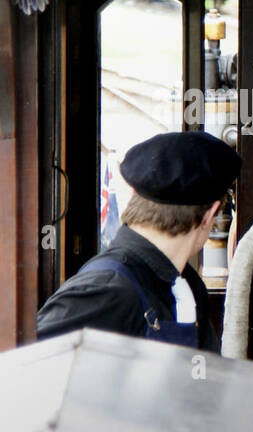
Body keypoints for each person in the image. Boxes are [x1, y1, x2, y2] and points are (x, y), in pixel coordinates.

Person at [36, 131, 241, 351]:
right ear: (211, 215)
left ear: (134, 194)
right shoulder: (108, 289)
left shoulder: (186, 286)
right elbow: (17, 370)